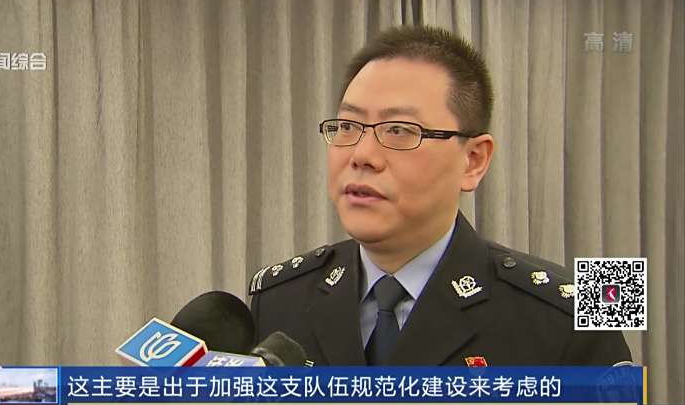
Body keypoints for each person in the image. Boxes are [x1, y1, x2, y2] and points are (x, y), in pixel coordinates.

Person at [248, 25, 631, 366]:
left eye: (399, 130)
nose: (361, 155)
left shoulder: (585, 308)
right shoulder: (278, 299)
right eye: (348, 125)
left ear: (473, 160)